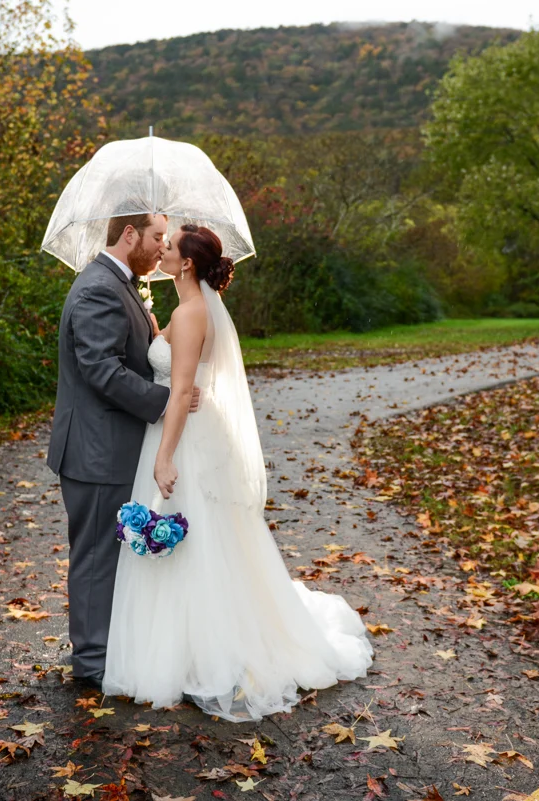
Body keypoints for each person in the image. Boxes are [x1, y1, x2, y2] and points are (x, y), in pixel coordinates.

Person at [104, 224, 373, 721]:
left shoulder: (192, 314)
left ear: (186, 263)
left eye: (171, 242)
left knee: (197, 541)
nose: (161, 245)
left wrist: (165, 457)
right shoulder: (187, 312)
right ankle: (183, 648)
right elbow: (180, 377)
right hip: (188, 431)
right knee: (201, 540)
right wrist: (153, 326)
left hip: (183, 440)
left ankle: (196, 655)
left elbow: (182, 392)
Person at [46, 212, 201, 690]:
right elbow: (101, 370)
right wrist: (167, 400)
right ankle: (92, 663)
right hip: (95, 451)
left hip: (109, 447)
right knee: (94, 555)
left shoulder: (120, 284)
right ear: (129, 234)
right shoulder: (97, 288)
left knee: (107, 554)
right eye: (156, 237)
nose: (161, 247)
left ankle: (107, 649)